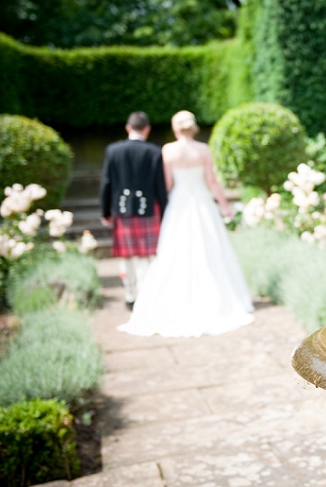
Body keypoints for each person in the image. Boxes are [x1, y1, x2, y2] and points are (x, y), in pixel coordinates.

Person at [118, 110, 254, 337]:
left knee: (175, 252)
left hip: (179, 205)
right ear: (193, 127)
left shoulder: (168, 150)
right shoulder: (203, 150)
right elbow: (211, 181)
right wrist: (224, 205)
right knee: (211, 250)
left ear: (175, 128)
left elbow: (167, 183)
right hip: (203, 204)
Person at [100, 111, 168, 310]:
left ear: (128, 128)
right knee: (146, 255)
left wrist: (105, 211)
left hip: (122, 210)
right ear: (147, 129)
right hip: (148, 210)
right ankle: (146, 294)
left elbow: (106, 183)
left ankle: (130, 296)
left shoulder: (113, 151)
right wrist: (165, 212)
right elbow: (160, 187)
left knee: (126, 256)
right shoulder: (154, 152)